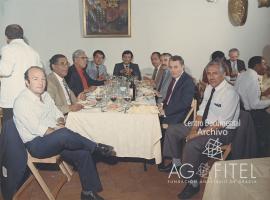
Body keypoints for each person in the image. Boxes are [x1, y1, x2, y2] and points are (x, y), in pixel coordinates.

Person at [13, 66, 115, 200]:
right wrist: (58, 130)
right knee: (64, 134)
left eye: (43, 79)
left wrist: (60, 121)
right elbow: (39, 129)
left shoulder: (45, 95)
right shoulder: (22, 102)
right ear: (27, 82)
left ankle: (88, 193)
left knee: (83, 154)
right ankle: (96, 148)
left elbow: (57, 113)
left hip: (55, 140)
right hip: (37, 145)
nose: (41, 82)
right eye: (35, 79)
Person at [177, 60, 240, 199]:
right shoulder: (210, 87)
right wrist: (194, 128)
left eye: (215, 73)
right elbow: (202, 109)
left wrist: (197, 134)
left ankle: (193, 183)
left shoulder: (230, 93)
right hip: (206, 126)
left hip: (223, 132)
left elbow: (221, 124)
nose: (211, 77)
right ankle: (190, 164)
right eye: (209, 73)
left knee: (191, 144)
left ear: (224, 74)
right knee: (177, 132)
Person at [157, 55, 195, 171]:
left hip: (182, 116)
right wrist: (162, 105)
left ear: (182, 66)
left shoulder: (187, 81)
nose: (173, 70)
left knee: (157, 124)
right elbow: (169, 98)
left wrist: (165, 112)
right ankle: (158, 155)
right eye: (171, 67)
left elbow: (184, 103)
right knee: (152, 119)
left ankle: (175, 162)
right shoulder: (175, 78)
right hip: (173, 111)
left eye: (176, 67)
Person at [0, 24, 41, 122]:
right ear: (22, 35)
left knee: (10, 132)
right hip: (30, 98)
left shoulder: (8, 48)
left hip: (12, 100)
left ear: (7, 37)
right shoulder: (34, 52)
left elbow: (5, 70)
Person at [235, 56, 270, 156]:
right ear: (257, 66)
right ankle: (263, 155)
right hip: (250, 115)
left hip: (240, 112)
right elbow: (254, 104)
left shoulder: (243, 74)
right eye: (264, 64)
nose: (266, 66)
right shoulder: (253, 77)